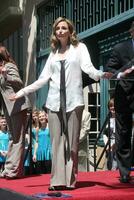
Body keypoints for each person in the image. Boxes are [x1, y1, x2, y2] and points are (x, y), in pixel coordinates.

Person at [9, 17, 112, 190]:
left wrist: (101, 75)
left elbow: (88, 68)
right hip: (54, 102)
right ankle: (56, 181)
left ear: (70, 31)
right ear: (55, 33)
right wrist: (21, 92)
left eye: (64, 28)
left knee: (72, 143)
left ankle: (70, 180)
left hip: (74, 101)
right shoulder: (53, 53)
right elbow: (42, 79)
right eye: (57, 28)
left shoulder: (80, 48)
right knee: (56, 142)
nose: (60, 31)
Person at [106, 21, 134, 183]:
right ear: (132, 32)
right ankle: (124, 171)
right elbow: (110, 70)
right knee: (123, 132)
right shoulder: (120, 48)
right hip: (124, 94)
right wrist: (123, 72)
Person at [0, 45, 31, 179]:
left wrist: (6, 76)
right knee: (12, 137)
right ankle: (9, 169)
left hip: (18, 106)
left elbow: (19, 83)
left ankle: (14, 170)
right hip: (8, 107)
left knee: (18, 138)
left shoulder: (9, 66)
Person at [103, 98, 118, 171]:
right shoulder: (107, 119)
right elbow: (104, 134)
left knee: (115, 167)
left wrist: (115, 144)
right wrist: (107, 145)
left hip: (117, 146)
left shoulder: (120, 119)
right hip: (109, 147)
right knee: (108, 166)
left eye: (114, 106)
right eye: (111, 106)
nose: (113, 107)